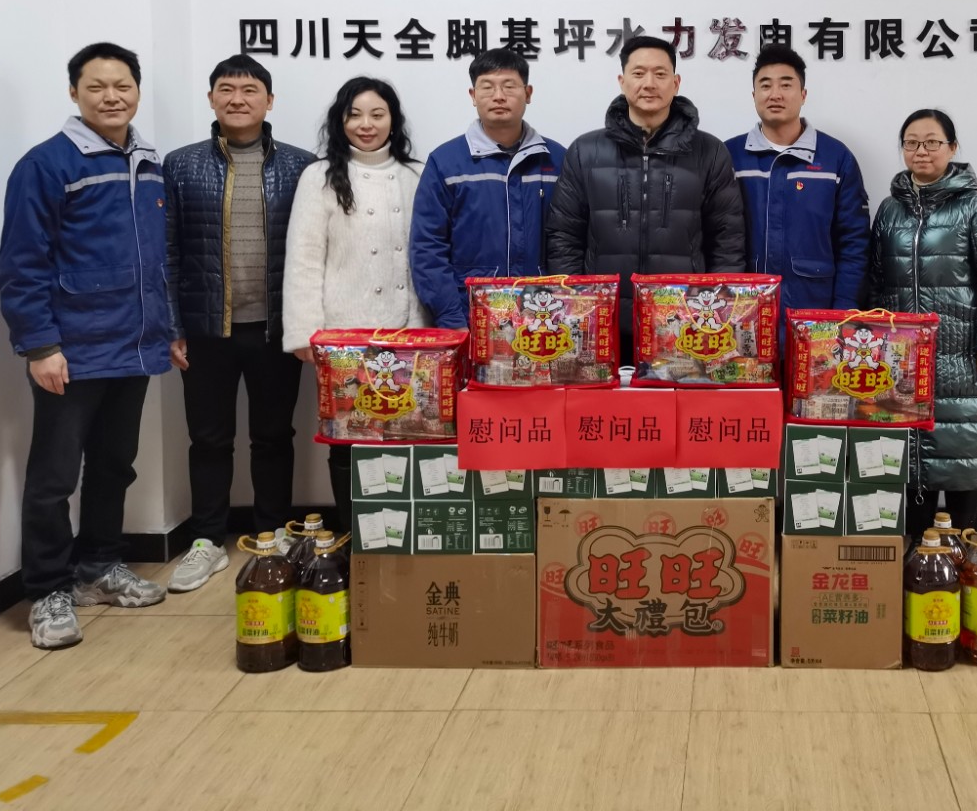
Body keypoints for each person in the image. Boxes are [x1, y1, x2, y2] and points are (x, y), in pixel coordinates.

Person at [0, 42, 170, 649]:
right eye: (96, 86)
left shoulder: (148, 162)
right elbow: (22, 262)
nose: (111, 97)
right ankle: (48, 588)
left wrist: (167, 330)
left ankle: (98, 564)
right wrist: (40, 346)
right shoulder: (46, 164)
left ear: (138, 91)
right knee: (54, 476)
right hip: (70, 350)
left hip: (134, 345)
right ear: (74, 92)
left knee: (115, 465)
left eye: (122, 86)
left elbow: (158, 260)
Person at [162, 55, 315, 594]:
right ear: (211, 99)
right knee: (208, 439)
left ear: (269, 101)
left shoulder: (301, 166)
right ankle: (207, 540)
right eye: (226, 89)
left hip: (275, 328)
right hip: (207, 328)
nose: (237, 99)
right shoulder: (181, 166)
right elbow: (167, 250)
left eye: (250, 90)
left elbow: (313, 251)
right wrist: (173, 324)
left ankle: (272, 534)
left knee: (274, 436)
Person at [282, 78, 425, 530]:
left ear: (393, 121)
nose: (366, 124)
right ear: (340, 121)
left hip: (410, 333)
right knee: (347, 437)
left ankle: (400, 534)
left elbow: (428, 254)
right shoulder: (320, 176)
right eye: (355, 114)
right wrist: (304, 332)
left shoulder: (416, 175)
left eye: (377, 114)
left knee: (406, 432)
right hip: (344, 335)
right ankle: (351, 536)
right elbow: (304, 258)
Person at [546, 35, 746, 355]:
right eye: (638, 73)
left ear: (676, 83)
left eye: (660, 74)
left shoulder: (709, 152)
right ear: (622, 81)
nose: (649, 83)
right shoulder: (585, 151)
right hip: (602, 324)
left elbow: (728, 240)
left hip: (686, 326)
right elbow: (564, 237)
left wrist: (717, 312)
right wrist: (575, 308)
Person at [863, 109, 977, 538]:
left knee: (963, 453)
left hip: (962, 355)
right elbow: (874, 281)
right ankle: (919, 551)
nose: (921, 151)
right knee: (909, 460)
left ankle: (962, 546)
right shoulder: (890, 210)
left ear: (952, 147)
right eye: (911, 143)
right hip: (901, 357)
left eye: (932, 142)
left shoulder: (975, 206)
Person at [410, 48, 566, 327]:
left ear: (528, 93)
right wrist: (452, 317)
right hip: (471, 315)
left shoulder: (557, 160)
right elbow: (427, 247)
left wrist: (566, 308)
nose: (498, 96)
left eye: (509, 86)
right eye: (487, 87)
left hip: (544, 315)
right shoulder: (446, 163)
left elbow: (572, 242)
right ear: (473, 95)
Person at [725, 43, 870, 316]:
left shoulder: (836, 158)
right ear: (754, 95)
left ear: (803, 94)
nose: (775, 94)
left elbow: (854, 243)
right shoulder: (730, 156)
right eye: (765, 85)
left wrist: (843, 311)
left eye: (786, 84)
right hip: (743, 313)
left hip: (814, 313)